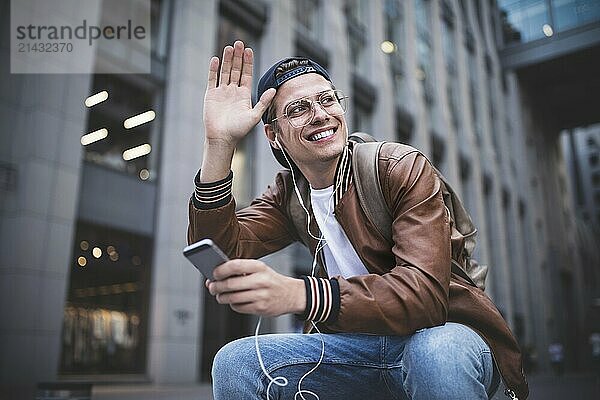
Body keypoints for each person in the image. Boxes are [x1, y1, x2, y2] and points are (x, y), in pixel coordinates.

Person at [188, 40, 528, 400]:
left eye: (327, 99)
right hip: (353, 351)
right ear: (274, 135)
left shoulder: (398, 167)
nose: (320, 114)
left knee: (433, 354)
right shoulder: (291, 194)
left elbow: (424, 298)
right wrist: (220, 143)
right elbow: (220, 247)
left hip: (443, 334)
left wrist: (302, 294)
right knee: (234, 362)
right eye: (299, 109)